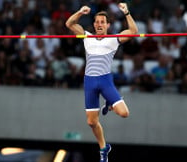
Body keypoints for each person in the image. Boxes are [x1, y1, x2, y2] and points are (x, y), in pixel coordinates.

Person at [66, 3, 138, 162]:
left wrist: (126, 12)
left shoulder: (114, 39)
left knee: (124, 113)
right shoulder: (87, 37)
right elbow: (69, 24)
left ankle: (110, 104)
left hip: (105, 81)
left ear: (108, 25)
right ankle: (104, 147)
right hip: (90, 82)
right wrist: (79, 12)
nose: (99, 24)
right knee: (91, 122)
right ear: (94, 24)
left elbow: (133, 31)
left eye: (102, 22)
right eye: (97, 22)